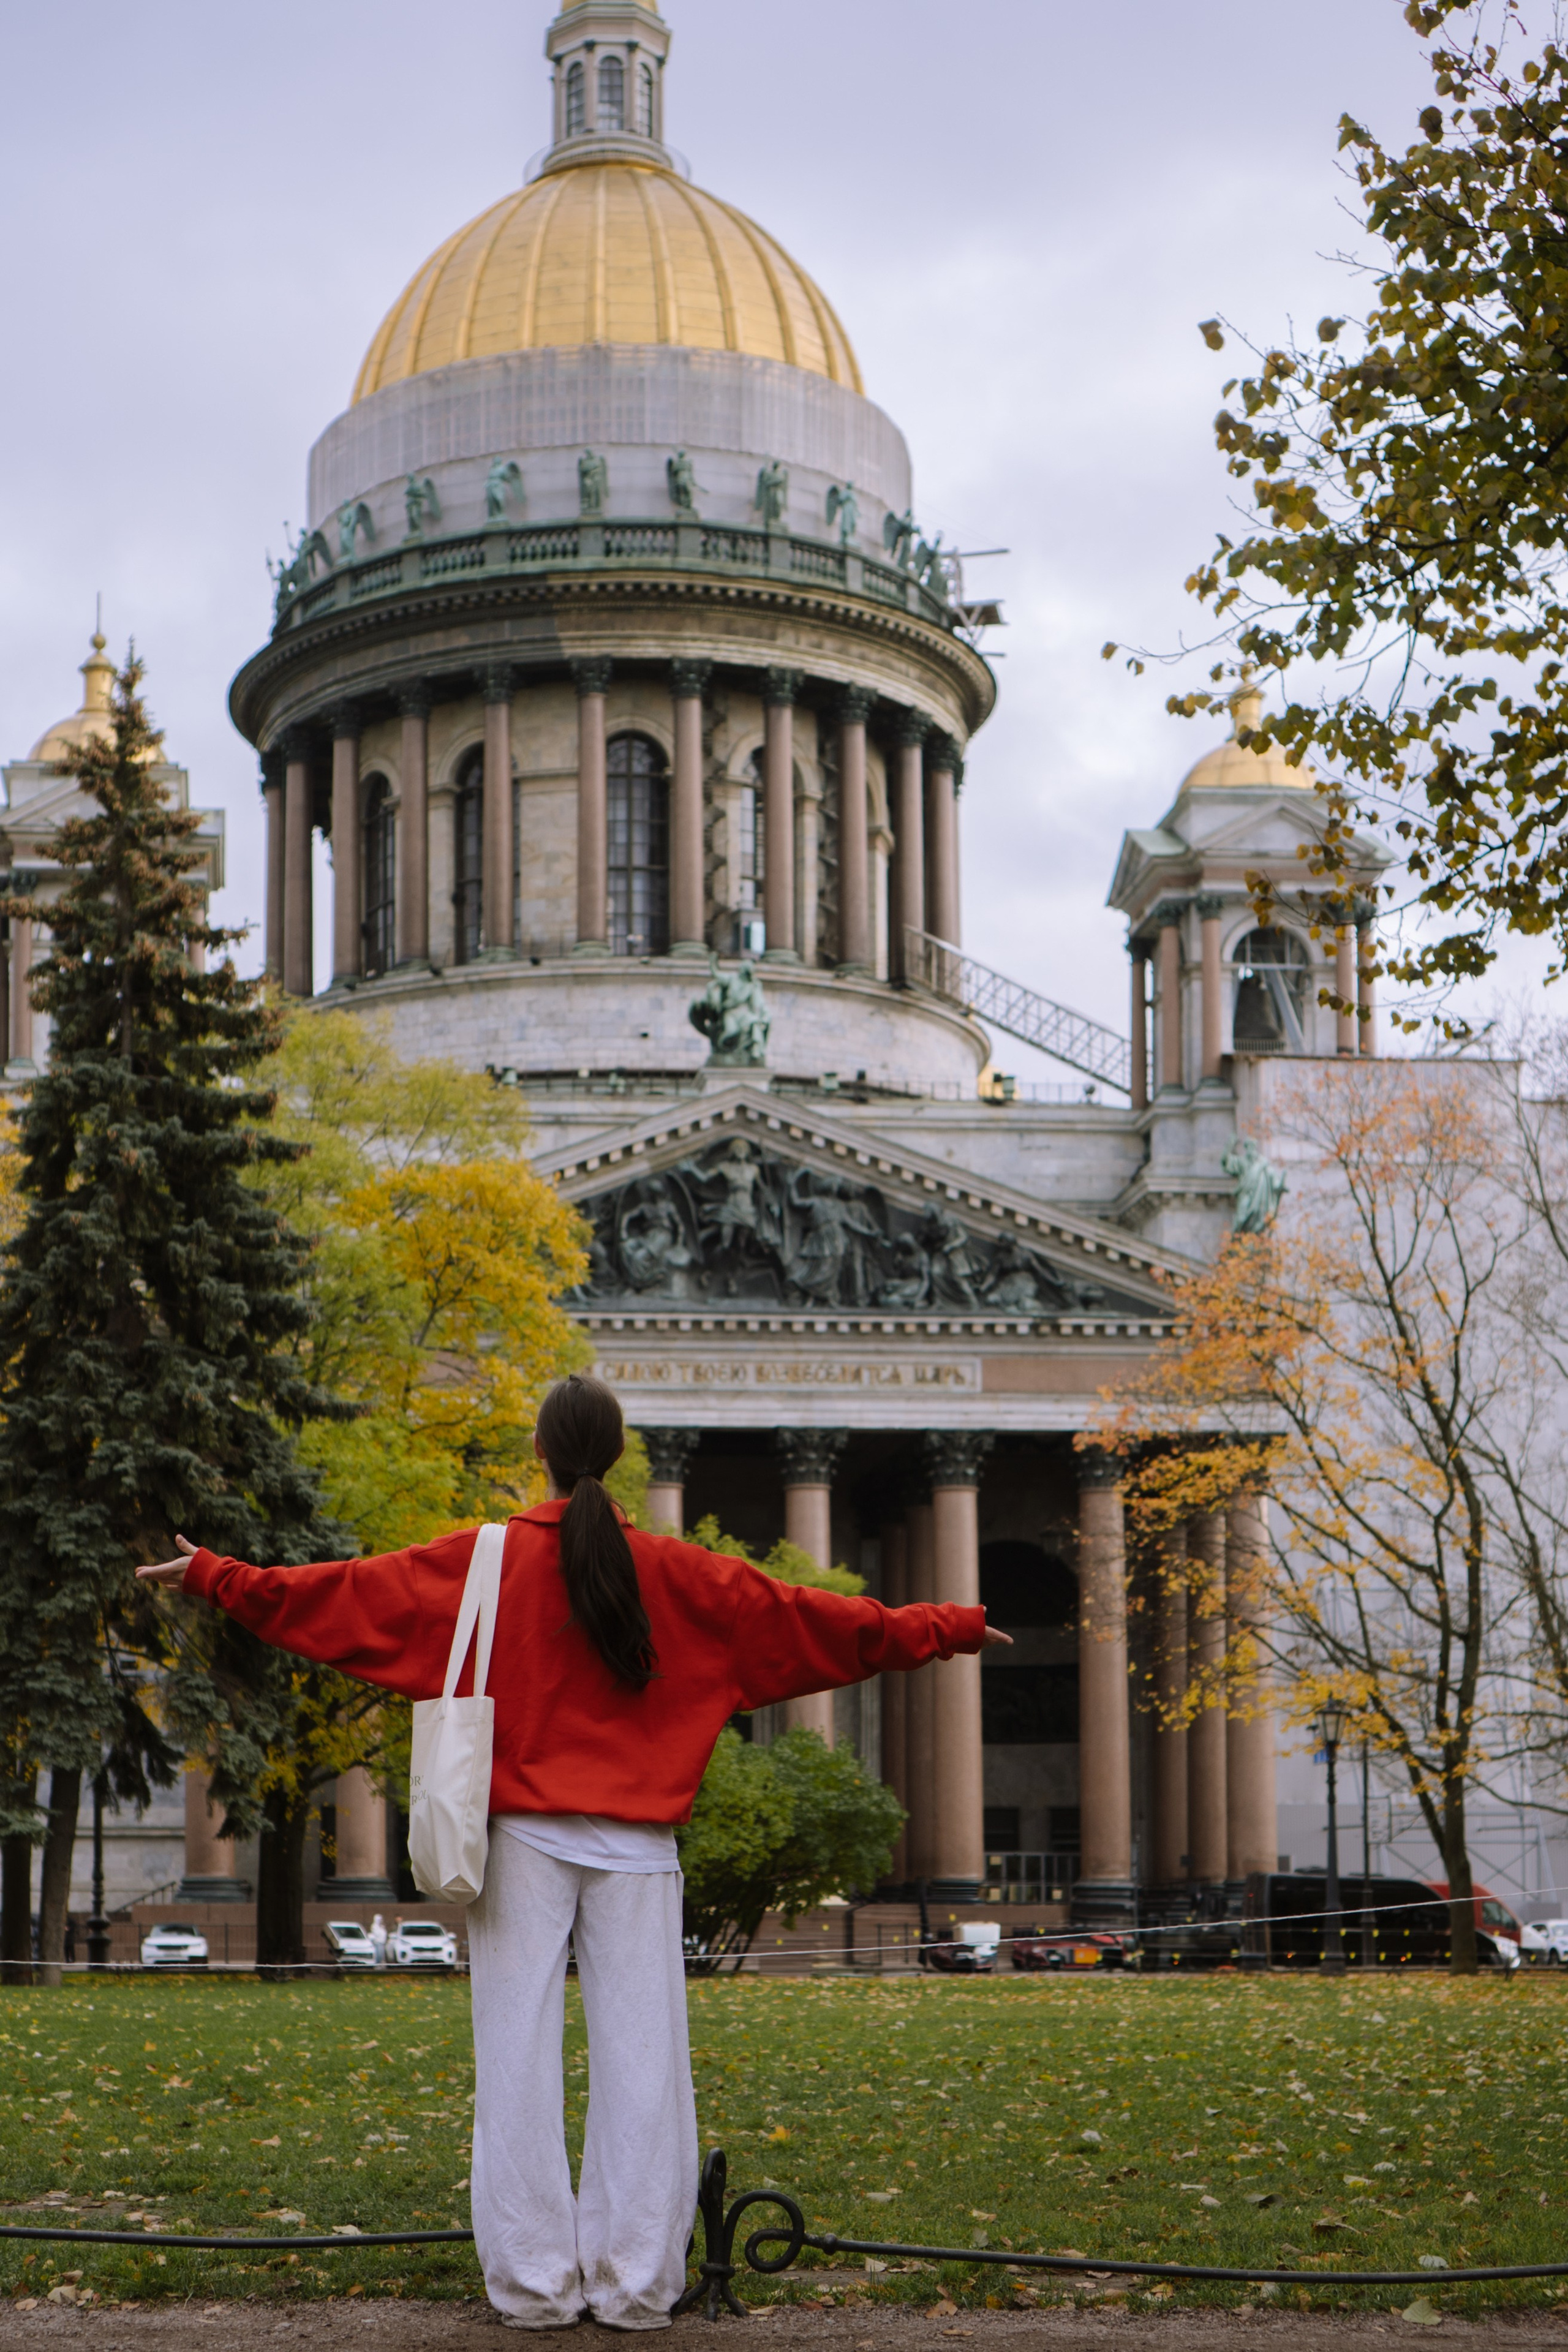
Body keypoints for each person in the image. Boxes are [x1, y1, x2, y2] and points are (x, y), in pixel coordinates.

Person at [137, 1373, 1009, 2332]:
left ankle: (536, 2286)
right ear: (620, 1456)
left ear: (541, 1456)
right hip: (638, 1847)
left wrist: (217, 1574)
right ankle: (638, 2284)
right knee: (646, 2069)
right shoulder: (681, 1573)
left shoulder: (483, 1562)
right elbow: (819, 1622)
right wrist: (951, 1628)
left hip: (518, 1843)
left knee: (514, 2062)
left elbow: (341, 1600)